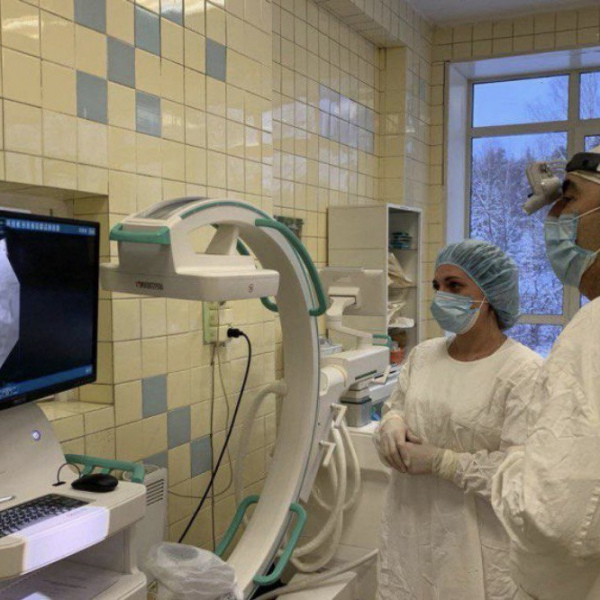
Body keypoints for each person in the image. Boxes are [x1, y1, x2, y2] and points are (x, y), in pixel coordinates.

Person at [374, 239, 543, 600]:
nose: (442, 297)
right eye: (438, 286)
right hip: (409, 533)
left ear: (491, 296)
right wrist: (391, 425)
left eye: (455, 286)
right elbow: (396, 408)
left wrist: (444, 462)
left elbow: (522, 475)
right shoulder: (423, 356)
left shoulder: (523, 371)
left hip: (478, 548)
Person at [491, 145, 600, 599]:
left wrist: (516, 459)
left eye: (568, 197)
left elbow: (552, 518)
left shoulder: (593, 331)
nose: (553, 216)